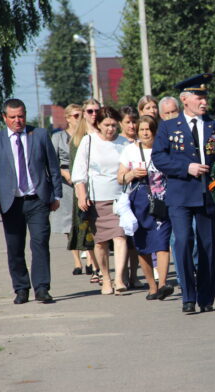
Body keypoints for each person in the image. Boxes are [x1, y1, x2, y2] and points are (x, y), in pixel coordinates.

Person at [152, 73, 215, 313]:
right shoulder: (168, 127)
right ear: (185, 99)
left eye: (205, 97)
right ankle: (188, 296)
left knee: (207, 247)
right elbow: (159, 158)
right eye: (199, 98)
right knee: (183, 242)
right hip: (181, 194)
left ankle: (206, 298)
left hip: (208, 194)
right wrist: (187, 167)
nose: (204, 102)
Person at [0, 99, 62, 304]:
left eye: (21, 116)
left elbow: (53, 166)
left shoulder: (39, 135)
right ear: (4, 118)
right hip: (11, 202)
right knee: (15, 247)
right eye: (12, 117)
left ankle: (42, 288)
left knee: (40, 243)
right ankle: (21, 288)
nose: (17, 120)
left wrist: (56, 195)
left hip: (37, 200)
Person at [72, 106, 131, 295]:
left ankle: (119, 278)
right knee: (101, 242)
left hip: (119, 199)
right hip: (96, 200)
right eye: (107, 125)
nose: (110, 129)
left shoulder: (124, 143)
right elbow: (79, 171)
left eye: (114, 125)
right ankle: (106, 278)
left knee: (120, 236)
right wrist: (82, 194)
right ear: (98, 124)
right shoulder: (88, 141)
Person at [118, 115, 173, 300]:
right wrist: (132, 173)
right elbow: (120, 178)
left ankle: (163, 284)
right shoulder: (130, 150)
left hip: (162, 201)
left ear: (155, 131)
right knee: (143, 245)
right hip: (139, 202)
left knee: (162, 242)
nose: (145, 133)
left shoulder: (164, 149)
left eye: (148, 129)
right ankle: (152, 286)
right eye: (141, 129)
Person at [68, 99, 101, 283]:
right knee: (88, 230)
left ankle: (103, 267)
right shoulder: (78, 137)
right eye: (90, 111)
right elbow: (74, 168)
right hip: (84, 189)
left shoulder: (105, 131)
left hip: (103, 187)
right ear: (84, 113)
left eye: (97, 110)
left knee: (104, 230)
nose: (94, 114)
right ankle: (95, 267)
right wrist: (80, 192)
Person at [50, 104, 85, 275]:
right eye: (76, 115)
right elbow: (51, 161)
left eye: (81, 115)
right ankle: (77, 261)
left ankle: (91, 259)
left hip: (83, 181)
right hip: (66, 183)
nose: (79, 119)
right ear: (68, 118)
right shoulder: (58, 137)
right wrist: (64, 173)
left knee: (86, 220)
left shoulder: (86, 136)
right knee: (69, 223)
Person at [118, 106, 143, 287]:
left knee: (135, 238)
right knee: (122, 237)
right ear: (121, 123)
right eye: (128, 122)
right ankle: (123, 275)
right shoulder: (119, 142)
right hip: (120, 194)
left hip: (138, 194)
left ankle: (134, 274)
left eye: (134, 122)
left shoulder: (142, 141)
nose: (132, 126)